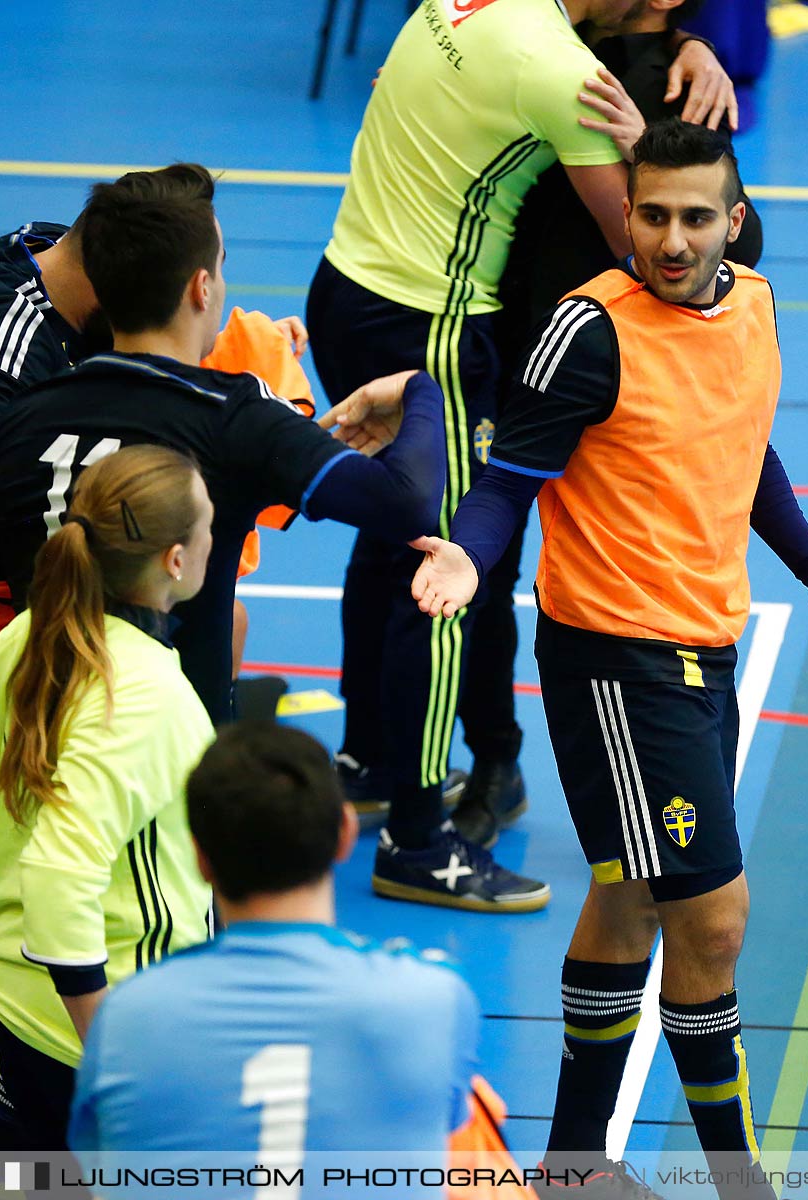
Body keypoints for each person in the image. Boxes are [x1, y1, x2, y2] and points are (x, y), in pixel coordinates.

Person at [411, 121, 808, 1199]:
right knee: (713, 916)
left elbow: (744, 446)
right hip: (618, 656)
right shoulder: (586, 330)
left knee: (626, 892)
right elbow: (507, 480)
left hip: (710, 638)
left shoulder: (751, 304)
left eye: (693, 218)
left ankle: (573, 1168)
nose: (669, 239)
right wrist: (473, 565)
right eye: (650, 214)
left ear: (735, 223)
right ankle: (738, 1180)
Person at [308, 0, 744, 913]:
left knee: (392, 538)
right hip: (432, 322)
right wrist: (642, 142)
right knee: (445, 571)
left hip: (348, 282)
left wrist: (691, 46)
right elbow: (644, 237)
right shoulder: (565, 73)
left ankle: (374, 756)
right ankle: (417, 840)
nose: (671, 6)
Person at [0, 162, 445, 727]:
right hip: (174, 758)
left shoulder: (22, 417)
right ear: (202, 288)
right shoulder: (235, 417)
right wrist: (421, 391)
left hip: (39, 733)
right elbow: (409, 502)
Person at [456, 0, 768, 849]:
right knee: (481, 569)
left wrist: (643, 143)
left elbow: (740, 250)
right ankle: (491, 759)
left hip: (613, 371)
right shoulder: (526, 42)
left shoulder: (673, 80)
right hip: (502, 336)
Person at [0, 446, 218, 1196]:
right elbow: (59, 871)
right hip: (110, 1028)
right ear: (176, 560)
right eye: (210, 526)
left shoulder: (26, 635)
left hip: (18, 1007)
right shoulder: (147, 691)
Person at [68, 722, 478, 1183]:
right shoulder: (433, 997)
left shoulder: (128, 1014)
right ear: (345, 833)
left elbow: (94, 1176)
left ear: (200, 857)